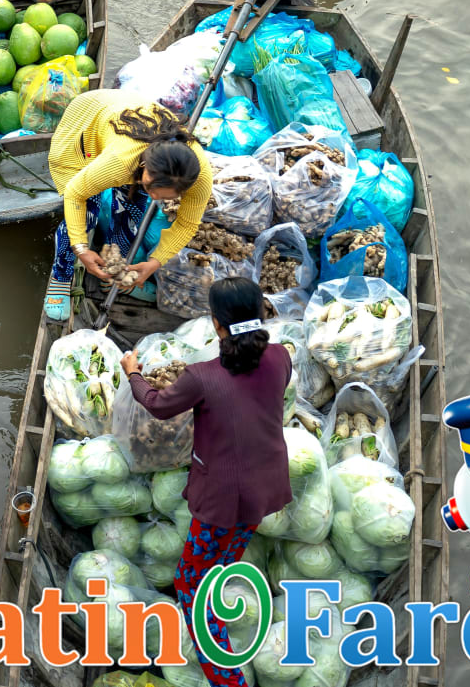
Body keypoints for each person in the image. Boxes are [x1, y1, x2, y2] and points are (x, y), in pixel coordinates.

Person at [122, 278, 292, 687]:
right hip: (266, 485)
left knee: (189, 583)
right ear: (261, 313)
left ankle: (225, 677)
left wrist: (134, 374)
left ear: (216, 325)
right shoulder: (280, 358)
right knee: (230, 547)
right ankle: (223, 567)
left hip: (220, 498)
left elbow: (157, 406)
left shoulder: (201, 376)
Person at [44, 90, 212, 320]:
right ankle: (61, 275)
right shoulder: (120, 162)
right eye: (151, 189)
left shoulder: (198, 176)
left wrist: (154, 262)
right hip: (87, 123)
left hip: (133, 126)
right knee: (87, 215)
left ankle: (113, 272)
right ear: (144, 167)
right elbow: (75, 194)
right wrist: (81, 249)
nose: (154, 197)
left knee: (131, 215)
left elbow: (187, 224)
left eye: (162, 196)